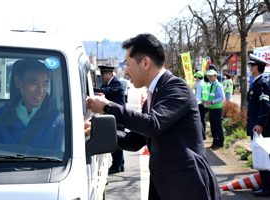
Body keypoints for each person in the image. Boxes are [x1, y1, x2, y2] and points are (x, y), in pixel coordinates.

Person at [86, 33, 221, 200]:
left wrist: (108, 107)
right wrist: (97, 132)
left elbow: (152, 124)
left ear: (145, 62)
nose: (126, 71)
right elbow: (135, 140)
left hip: (187, 187)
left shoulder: (177, 88)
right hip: (164, 186)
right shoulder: (152, 97)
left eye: (127, 64)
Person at [0, 59, 64, 150]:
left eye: (45, 84)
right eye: (34, 83)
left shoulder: (58, 117)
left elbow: (62, 156)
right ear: (18, 82)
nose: (41, 91)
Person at [94, 65, 126, 174]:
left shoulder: (116, 83)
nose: (101, 76)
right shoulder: (107, 83)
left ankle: (117, 165)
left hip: (119, 117)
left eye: (103, 74)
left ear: (110, 74)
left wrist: (92, 89)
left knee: (116, 141)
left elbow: (106, 91)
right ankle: (120, 164)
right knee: (116, 140)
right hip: (114, 116)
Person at [247, 54, 270, 197]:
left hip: (261, 127)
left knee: (264, 157)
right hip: (256, 126)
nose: (249, 68)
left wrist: (260, 124)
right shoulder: (256, 82)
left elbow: (266, 105)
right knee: (261, 156)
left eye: (250, 66)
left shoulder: (262, 83)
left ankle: (267, 187)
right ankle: (265, 184)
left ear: (255, 68)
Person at [204, 70, 225, 150]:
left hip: (217, 108)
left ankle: (221, 143)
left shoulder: (218, 85)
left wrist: (212, 102)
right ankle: (215, 142)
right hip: (211, 108)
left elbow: (222, 97)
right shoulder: (210, 85)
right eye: (208, 76)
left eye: (211, 76)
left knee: (218, 126)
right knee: (213, 126)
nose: (209, 77)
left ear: (215, 76)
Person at [194, 71, 210, 140]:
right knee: (203, 120)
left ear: (197, 77)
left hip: (200, 104)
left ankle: (202, 135)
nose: (195, 78)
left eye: (195, 77)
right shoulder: (205, 84)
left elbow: (198, 96)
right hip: (205, 103)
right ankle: (203, 135)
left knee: (199, 120)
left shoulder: (199, 84)